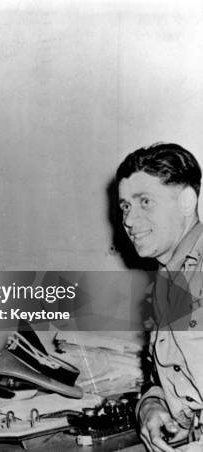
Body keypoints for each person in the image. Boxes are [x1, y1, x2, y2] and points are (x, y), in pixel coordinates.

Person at [117, 143, 203, 452]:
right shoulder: (166, 281)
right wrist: (151, 408)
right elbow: (164, 380)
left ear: (186, 201)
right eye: (126, 206)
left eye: (145, 202)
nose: (128, 220)